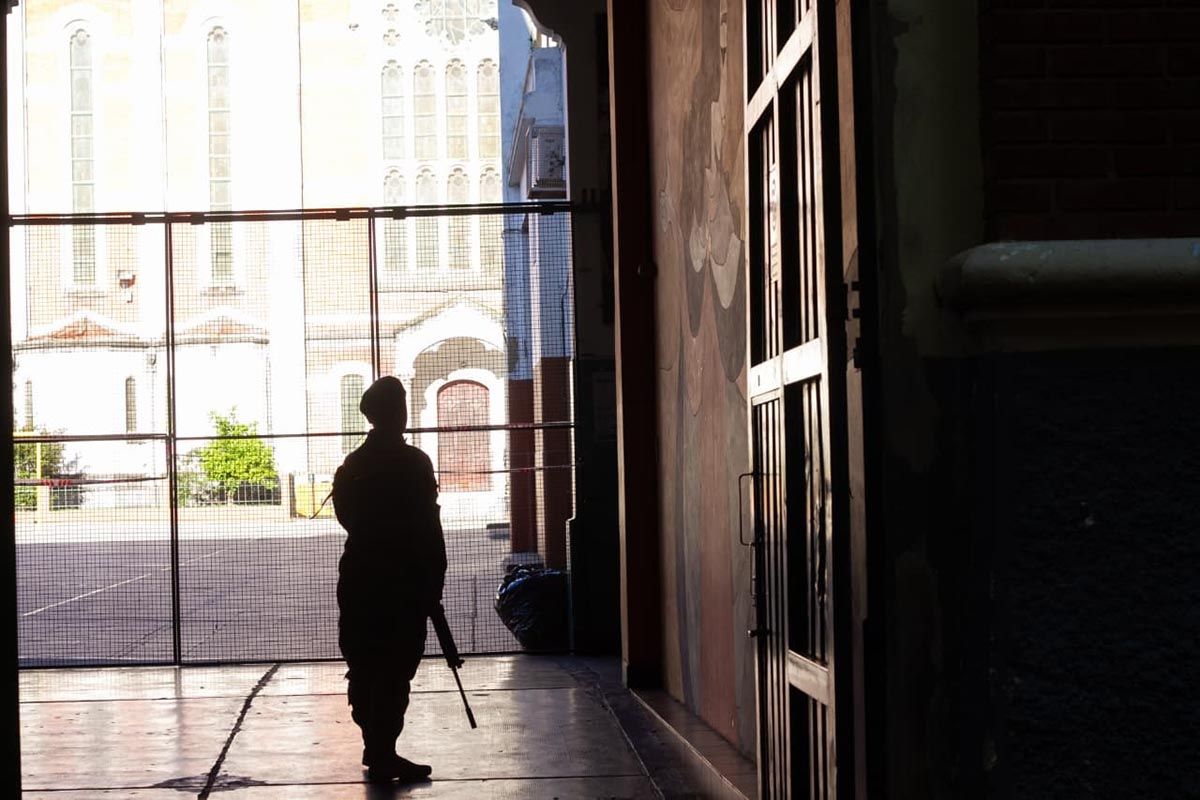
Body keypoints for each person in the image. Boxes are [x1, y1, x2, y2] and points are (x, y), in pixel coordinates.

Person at [332, 376, 447, 783]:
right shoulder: (415, 462)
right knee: (395, 667)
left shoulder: (353, 466)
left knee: (365, 663)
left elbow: (348, 519)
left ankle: (377, 747)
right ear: (395, 413)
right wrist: (433, 579)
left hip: (362, 576)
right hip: (403, 580)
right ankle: (383, 752)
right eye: (399, 406)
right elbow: (428, 525)